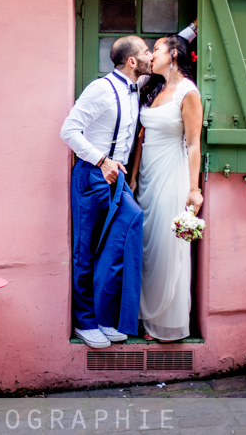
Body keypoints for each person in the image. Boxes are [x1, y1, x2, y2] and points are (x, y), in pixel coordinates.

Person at [60, 36, 151, 348]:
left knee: (130, 223)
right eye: (146, 52)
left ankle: (107, 317)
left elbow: (176, 44)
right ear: (131, 61)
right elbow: (68, 131)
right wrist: (101, 160)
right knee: (85, 251)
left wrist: (193, 29)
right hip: (92, 174)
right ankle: (87, 323)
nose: (151, 56)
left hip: (118, 178)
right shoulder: (101, 89)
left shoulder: (136, 87)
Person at [132, 34, 203, 342]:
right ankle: (146, 317)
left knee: (166, 246)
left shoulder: (188, 92)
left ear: (174, 54)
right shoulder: (156, 89)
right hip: (146, 178)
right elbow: (141, 138)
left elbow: (193, 144)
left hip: (171, 176)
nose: (152, 54)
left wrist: (194, 189)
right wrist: (134, 176)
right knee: (147, 248)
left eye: (157, 49)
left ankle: (167, 323)